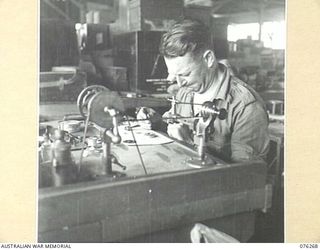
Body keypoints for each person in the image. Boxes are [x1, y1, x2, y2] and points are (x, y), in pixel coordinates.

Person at [138, 18, 269, 162]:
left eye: (185, 74)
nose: (179, 83)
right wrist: (156, 121)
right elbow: (174, 124)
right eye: (174, 75)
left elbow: (245, 177)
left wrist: (190, 145)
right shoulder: (187, 90)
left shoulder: (246, 106)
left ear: (208, 59)